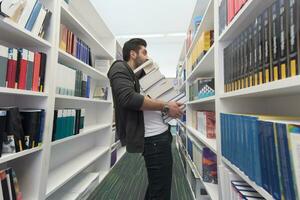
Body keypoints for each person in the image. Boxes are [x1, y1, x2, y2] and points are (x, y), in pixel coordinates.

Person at [107, 38, 183, 200]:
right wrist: (166, 106)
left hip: (161, 135)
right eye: (144, 52)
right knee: (160, 190)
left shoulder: (138, 74)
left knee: (159, 186)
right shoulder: (119, 67)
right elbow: (128, 98)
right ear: (132, 54)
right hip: (153, 140)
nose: (147, 56)